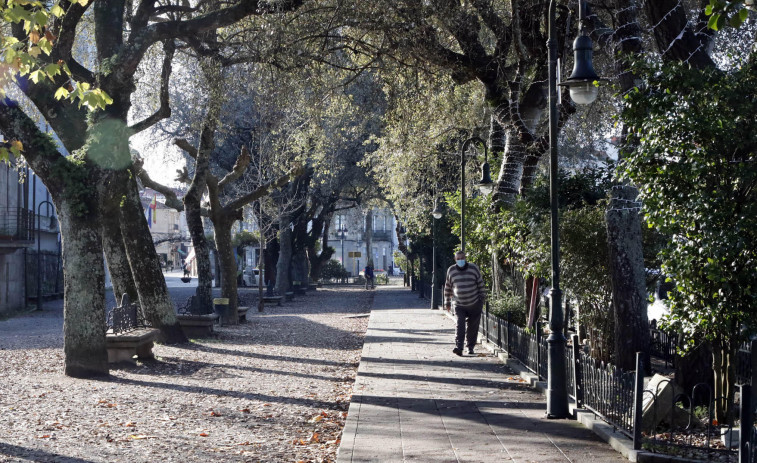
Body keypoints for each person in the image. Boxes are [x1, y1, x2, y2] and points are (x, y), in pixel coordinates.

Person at [444, 250, 486, 356]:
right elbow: (448, 286)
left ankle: (470, 347)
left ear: (465, 258)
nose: (460, 260)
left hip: (474, 303)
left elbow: (480, 283)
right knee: (460, 325)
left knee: (473, 327)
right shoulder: (451, 270)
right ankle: (459, 347)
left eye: (462, 258)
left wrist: (482, 298)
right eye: (458, 259)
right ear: (455, 259)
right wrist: (447, 302)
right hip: (459, 304)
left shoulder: (473, 268)